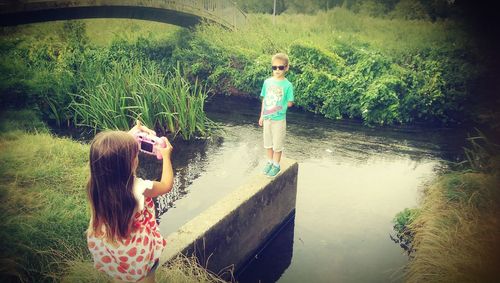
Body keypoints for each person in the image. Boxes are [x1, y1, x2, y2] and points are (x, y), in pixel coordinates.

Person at [86, 120, 174, 283]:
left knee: (120, 277)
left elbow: (110, 155)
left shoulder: (96, 183)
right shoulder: (139, 188)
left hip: (112, 248)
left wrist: (133, 133)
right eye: (134, 155)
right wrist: (166, 157)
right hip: (137, 254)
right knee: (145, 279)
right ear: (132, 163)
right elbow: (166, 185)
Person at [258, 53, 294, 177]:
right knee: (268, 143)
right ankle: (269, 162)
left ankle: (276, 165)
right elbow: (264, 99)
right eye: (274, 67)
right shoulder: (267, 82)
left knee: (277, 144)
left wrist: (280, 104)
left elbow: (290, 103)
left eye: (281, 67)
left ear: (286, 68)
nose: (277, 70)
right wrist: (262, 115)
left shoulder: (288, 85)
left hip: (279, 120)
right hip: (267, 118)